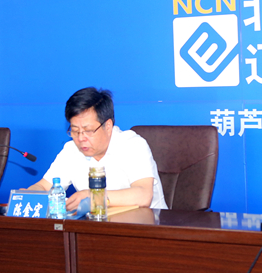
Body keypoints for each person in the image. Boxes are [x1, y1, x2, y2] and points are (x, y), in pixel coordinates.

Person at [27, 87, 167, 211]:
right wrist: (27, 195)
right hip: (98, 226)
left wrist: (94, 197)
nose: (80, 138)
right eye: (75, 131)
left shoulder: (132, 145)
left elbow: (143, 196)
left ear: (108, 126)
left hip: (147, 225)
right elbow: (44, 187)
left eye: (88, 131)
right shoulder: (71, 150)